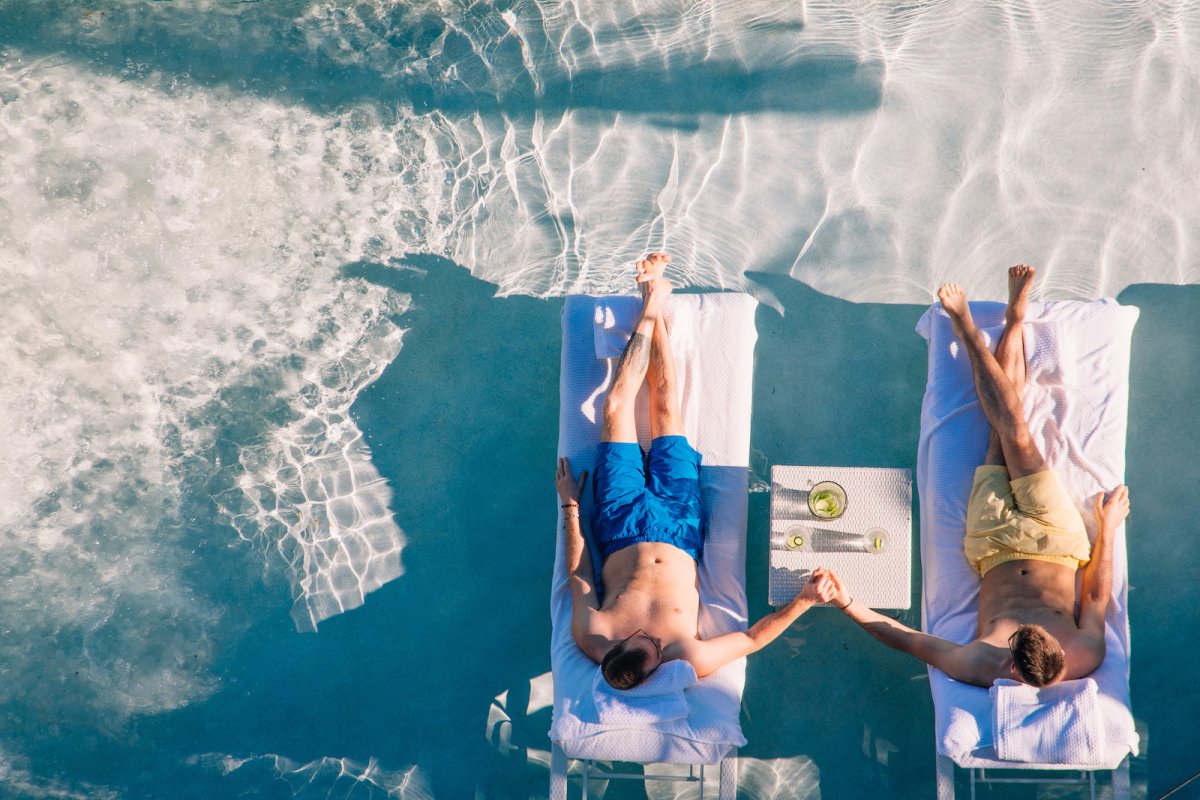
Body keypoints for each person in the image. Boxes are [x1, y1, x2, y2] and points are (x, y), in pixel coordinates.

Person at [823, 265, 1130, 688]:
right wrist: (1109, 529)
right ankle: (971, 330)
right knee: (1017, 433)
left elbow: (909, 640)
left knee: (999, 432)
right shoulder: (1085, 653)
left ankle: (1008, 323)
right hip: (1056, 539)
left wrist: (844, 601)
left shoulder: (983, 664)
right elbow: (1095, 598)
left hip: (993, 542)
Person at [556, 252, 837, 690]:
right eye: (652, 645)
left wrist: (571, 505)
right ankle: (656, 300)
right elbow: (748, 639)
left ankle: (651, 305)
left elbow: (579, 575)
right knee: (666, 406)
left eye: (639, 638)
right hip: (678, 523)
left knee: (614, 406)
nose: (650, 636)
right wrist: (804, 601)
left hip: (619, 522)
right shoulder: (684, 655)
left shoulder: (594, 636)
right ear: (656, 669)